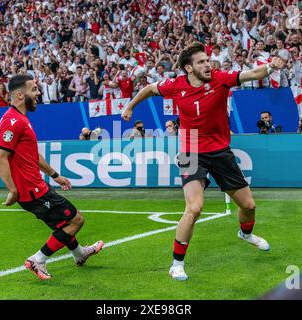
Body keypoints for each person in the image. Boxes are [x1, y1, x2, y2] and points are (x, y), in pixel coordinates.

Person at [122, 42, 285, 281]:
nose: (208, 64)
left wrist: (270, 67)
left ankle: (246, 234)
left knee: (249, 206)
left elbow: (252, 74)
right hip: (190, 149)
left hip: (220, 150)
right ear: (188, 68)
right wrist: (130, 106)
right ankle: (177, 263)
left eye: (208, 60)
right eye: (201, 62)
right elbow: (148, 88)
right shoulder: (174, 85)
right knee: (195, 207)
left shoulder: (221, 79)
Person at [0, 74, 103, 280]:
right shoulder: (13, 121)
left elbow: (33, 155)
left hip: (35, 186)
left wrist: (55, 175)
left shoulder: (21, 119)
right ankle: (38, 260)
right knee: (76, 220)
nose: (38, 93)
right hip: (31, 190)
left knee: (63, 224)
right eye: (33, 89)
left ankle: (79, 254)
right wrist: (12, 190)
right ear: (19, 94)